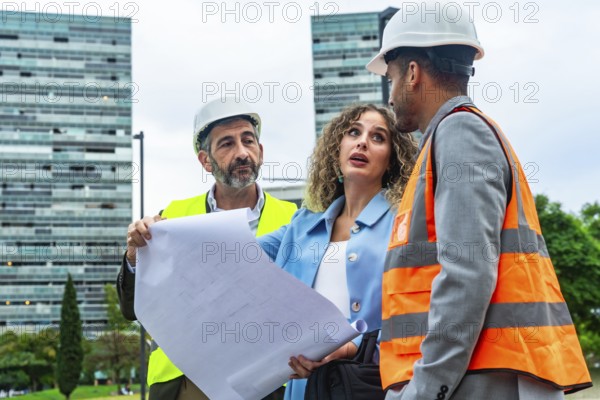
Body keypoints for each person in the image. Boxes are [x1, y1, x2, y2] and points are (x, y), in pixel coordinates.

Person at [366, 4, 593, 400]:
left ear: (414, 74)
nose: (391, 93)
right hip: (476, 374)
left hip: (476, 379)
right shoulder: (451, 139)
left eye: (392, 77)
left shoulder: (459, 133)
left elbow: (467, 274)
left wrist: (425, 388)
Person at [116, 97, 298, 400]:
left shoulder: (295, 221)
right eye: (226, 144)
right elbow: (131, 308)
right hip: (186, 383)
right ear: (205, 160)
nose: (241, 152)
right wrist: (135, 258)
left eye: (248, 140)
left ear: (261, 151)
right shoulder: (173, 218)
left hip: (269, 380)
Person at [257, 104, 418, 400]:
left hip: (372, 384)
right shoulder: (301, 224)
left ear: (392, 160)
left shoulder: (404, 224)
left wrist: (355, 347)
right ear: (336, 149)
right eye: (353, 132)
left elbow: (421, 312)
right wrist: (157, 234)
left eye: (378, 137)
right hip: (304, 385)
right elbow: (234, 253)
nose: (362, 142)